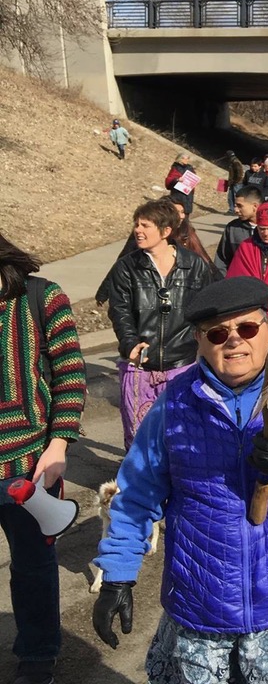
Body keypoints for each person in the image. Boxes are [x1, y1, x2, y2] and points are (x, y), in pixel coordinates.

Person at [91, 277, 268, 683]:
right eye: (218, 333)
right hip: (201, 607)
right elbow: (135, 495)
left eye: (248, 328)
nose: (234, 341)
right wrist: (118, 574)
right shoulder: (175, 405)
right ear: (200, 342)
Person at [0, 234, 86, 684]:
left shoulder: (40, 295)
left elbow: (71, 371)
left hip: (29, 463)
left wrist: (59, 445)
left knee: (32, 566)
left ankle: (37, 654)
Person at [105, 200, 215, 449]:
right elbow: (119, 310)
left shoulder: (194, 265)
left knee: (181, 435)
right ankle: (140, 483)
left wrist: (204, 348)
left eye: (145, 225)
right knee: (139, 437)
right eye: (136, 224)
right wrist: (130, 342)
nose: (138, 230)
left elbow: (205, 312)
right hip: (139, 368)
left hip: (182, 366)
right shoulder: (127, 267)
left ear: (166, 231)